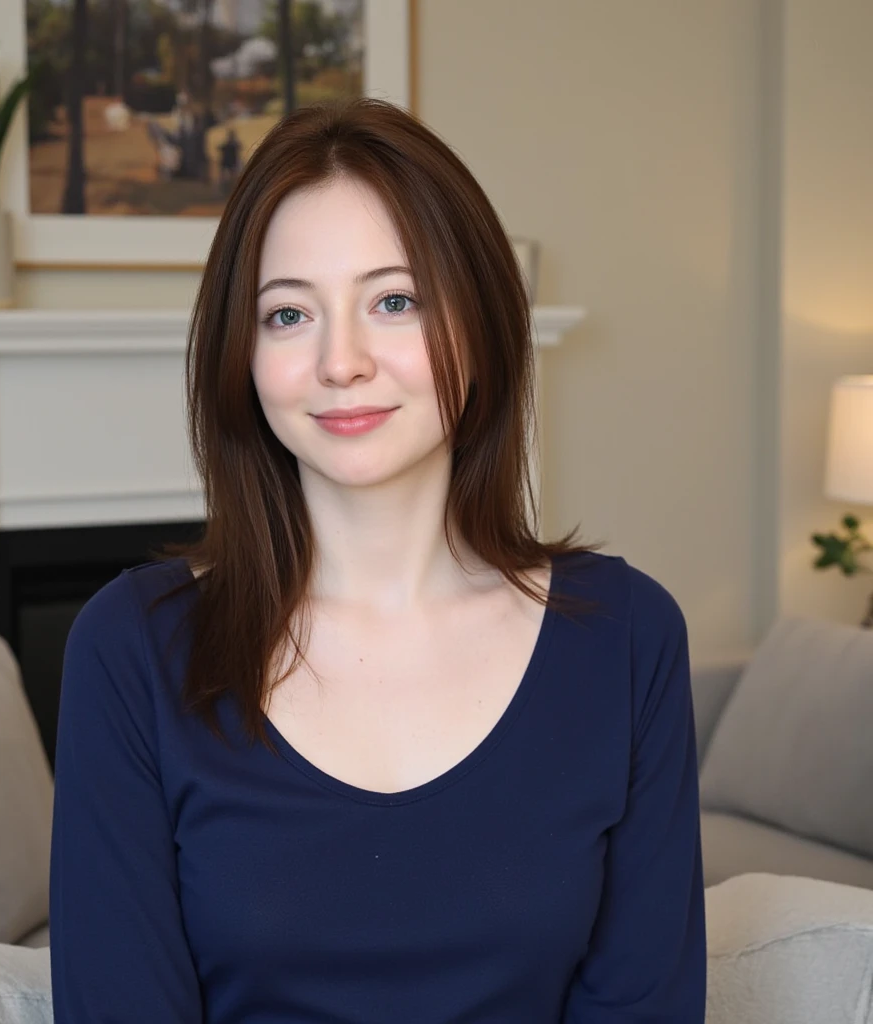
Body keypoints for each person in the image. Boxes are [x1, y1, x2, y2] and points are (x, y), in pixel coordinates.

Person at [48, 97, 706, 1022]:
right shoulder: (133, 647)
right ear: (241, 355)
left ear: (478, 326)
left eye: (393, 301)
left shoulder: (628, 637)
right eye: (287, 316)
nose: (340, 361)